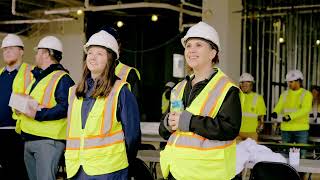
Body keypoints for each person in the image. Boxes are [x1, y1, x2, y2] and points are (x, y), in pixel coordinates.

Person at [159, 21, 242, 180]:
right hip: (178, 172)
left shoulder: (227, 88)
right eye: (188, 46)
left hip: (209, 174)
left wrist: (190, 122)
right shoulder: (179, 88)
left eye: (198, 45)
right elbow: (164, 129)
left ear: (212, 53)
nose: (191, 50)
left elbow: (230, 129)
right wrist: (167, 123)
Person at [65, 30, 141, 179]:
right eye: (90, 53)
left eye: (100, 53)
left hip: (109, 171)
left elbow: (132, 136)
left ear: (110, 60)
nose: (92, 57)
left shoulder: (121, 91)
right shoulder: (74, 91)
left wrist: (121, 161)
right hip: (77, 169)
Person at [14, 35, 75, 180]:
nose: (35, 55)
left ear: (46, 53)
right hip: (29, 138)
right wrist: (20, 108)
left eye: (38, 52)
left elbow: (65, 107)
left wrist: (39, 114)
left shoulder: (62, 78)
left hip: (47, 141)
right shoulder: (38, 79)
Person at [0, 34, 31, 179]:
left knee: (19, 173)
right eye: (4, 49)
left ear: (21, 51)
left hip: (19, 133)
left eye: (11, 48)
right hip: (1, 132)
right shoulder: (0, 74)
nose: (7, 51)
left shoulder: (31, 73)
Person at [271, 70, 312, 158]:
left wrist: (290, 116)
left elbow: (305, 109)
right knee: (285, 154)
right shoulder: (285, 94)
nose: (289, 84)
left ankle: (301, 172)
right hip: (286, 129)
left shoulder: (307, 94)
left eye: (291, 82)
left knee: (301, 155)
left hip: (301, 129)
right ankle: (286, 171)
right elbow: (279, 105)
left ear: (298, 81)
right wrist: (275, 112)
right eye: (288, 82)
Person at [238, 73, 266, 141]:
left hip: (252, 133)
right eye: (242, 83)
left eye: (247, 83)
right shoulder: (236, 96)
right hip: (237, 132)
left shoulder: (258, 98)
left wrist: (259, 129)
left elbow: (261, 117)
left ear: (251, 85)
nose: (244, 85)